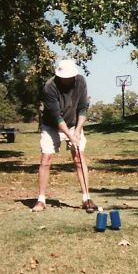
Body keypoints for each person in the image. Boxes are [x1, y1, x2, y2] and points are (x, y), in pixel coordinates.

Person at [31, 59, 98, 213]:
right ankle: (41, 200)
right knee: (46, 159)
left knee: (79, 157)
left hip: (74, 124)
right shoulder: (49, 87)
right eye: (65, 77)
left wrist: (77, 131)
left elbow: (82, 108)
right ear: (59, 76)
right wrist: (69, 135)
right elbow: (56, 117)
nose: (69, 80)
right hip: (52, 126)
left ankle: (86, 198)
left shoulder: (80, 81)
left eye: (71, 77)